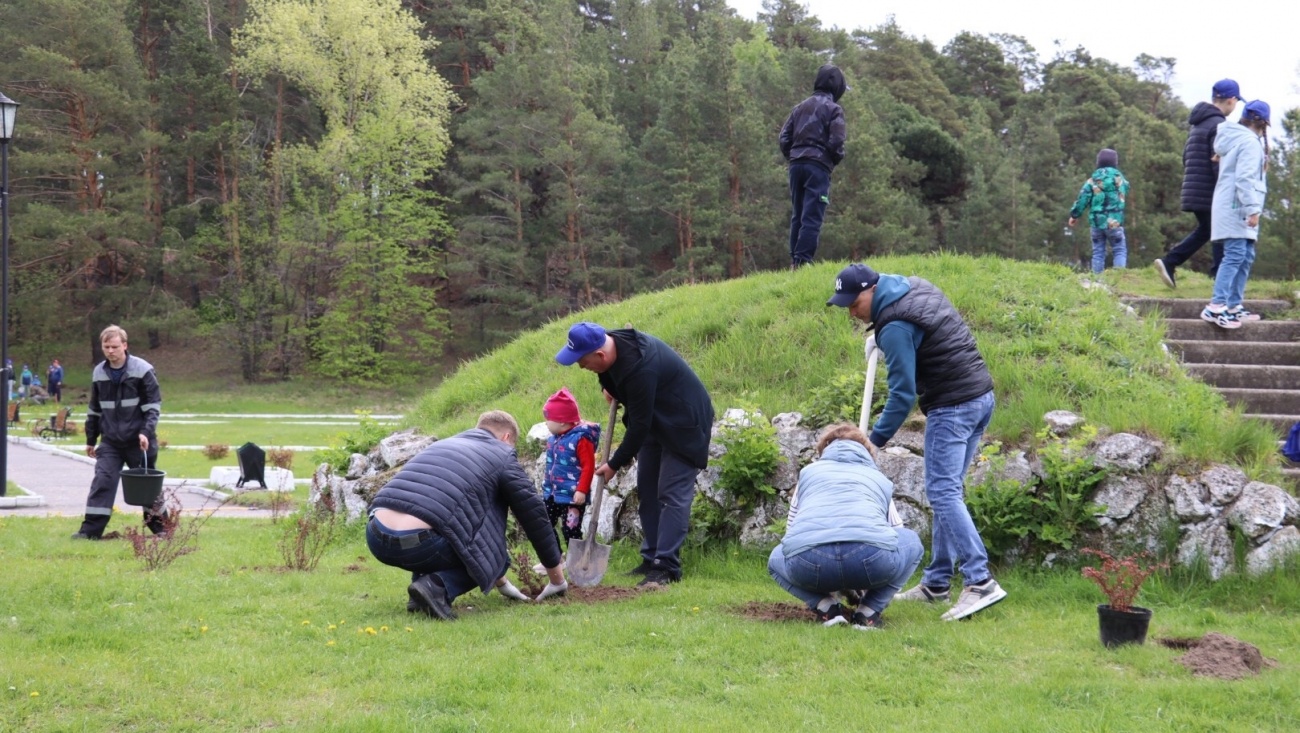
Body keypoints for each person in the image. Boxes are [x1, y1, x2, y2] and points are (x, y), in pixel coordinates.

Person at [827, 263, 1007, 621]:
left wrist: (871, 441)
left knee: (942, 492)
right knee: (949, 490)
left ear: (871, 290)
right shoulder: (913, 287)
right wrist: (879, 335)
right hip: (980, 397)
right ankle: (937, 583)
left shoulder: (894, 325)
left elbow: (902, 394)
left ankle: (980, 580)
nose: (851, 311)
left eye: (853, 302)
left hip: (952, 404)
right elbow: (921, 331)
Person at [556, 322, 714, 587]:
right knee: (647, 490)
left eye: (583, 362)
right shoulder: (613, 344)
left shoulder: (641, 367)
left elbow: (638, 425)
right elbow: (614, 381)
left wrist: (614, 463)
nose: (582, 367)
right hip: (656, 420)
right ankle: (650, 558)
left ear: (601, 355)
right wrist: (610, 388)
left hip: (685, 424)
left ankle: (665, 567)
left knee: (671, 493)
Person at [366, 410, 563, 619]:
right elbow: (535, 517)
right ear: (506, 438)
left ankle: (420, 594)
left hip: (376, 536)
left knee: (437, 525)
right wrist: (557, 580)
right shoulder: (502, 455)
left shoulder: (443, 445)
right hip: (420, 543)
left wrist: (501, 583)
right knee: (486, 555)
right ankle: (435, 587)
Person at [768, 424, 923, 630]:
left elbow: (791, 533)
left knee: (775, 559)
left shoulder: (808, 474)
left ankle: (826, 607)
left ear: (824, 450)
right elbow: (895, 530)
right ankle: (869, 610)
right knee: (912, 542)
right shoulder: (878, 478)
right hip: (871, 561)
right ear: (867, 451)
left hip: (809, 564)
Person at [73, 325, 167, 540]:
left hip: (139, 441)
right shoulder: (99, 372)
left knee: (147, 488)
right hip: (111, 442)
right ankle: (90, 532)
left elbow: (153, 407)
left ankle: (163, 530)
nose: (110, 351)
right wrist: (90, 439)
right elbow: (94, 409)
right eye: (106, 347)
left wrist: (145, 432)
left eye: (115, 346)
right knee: (102, 482)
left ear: (125, 345)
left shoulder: (143, 370)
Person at [1155, 79, 1242, 288]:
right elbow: (1218, 163)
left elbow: (1186, 157)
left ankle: (1210, 275)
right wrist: (1228, 189)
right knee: (1218, 231)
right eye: (1236, 101)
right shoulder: (1219, 125)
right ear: (1231, 100)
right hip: (1210, 191)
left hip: (1194, 188)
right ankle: (1174, 262)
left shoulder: (1198, 124)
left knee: (1210, 230)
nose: (1236, 106)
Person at [1201, 100, 1271, 330]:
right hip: (1237, 207)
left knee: (1246, 255)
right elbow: (1244, 178)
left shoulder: (1238, 139)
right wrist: (1252, 209)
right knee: (1235, 255)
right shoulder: (1249, 143)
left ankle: (1233, 305)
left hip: (1234, 205)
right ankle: (1216, 306)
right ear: (1262, 123)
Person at [779, 63, 847, 268]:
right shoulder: (834, 109)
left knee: (797, 214)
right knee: (812, 215)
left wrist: (794, 156)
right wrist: (832, 159)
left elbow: (784, 138)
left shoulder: (798, 108)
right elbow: (837, 141)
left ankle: (795, 261)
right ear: (837, 87)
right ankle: (803, 262)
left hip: (796, 165)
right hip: (817, 167)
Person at [540, 387, 600, 554]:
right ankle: (555, 559)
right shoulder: (553, 439)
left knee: (570, 530)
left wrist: (581, 490)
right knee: (544, 525)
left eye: (548, 418)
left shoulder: (581, 439)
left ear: (561, 421)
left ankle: (577, 561)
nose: (545, 422)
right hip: (552, 493)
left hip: (573, 496)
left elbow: (588, 466)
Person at [1068, 148, 1129, 274]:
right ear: (1115, 163)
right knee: (1119, 249)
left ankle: (1097, 281)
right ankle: (1119, 279)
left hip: (1096, 223)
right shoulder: (1120, 180)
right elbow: (1127, 187)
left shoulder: (1092, 180)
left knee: (1098, 252)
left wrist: (1074, 215)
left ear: (1098, 163)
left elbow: (1083, 199)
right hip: (1115, 223)